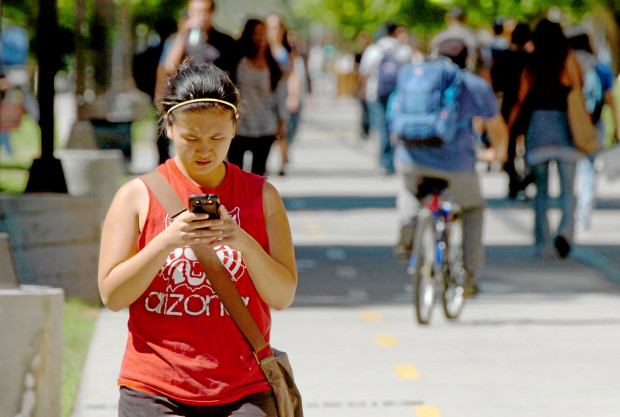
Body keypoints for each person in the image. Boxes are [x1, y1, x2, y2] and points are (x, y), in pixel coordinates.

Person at [98, 63, 298, 416]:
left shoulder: (262, 197)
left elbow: (282, 296)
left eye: (217, 138)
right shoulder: (136, 197)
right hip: (154, 388)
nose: (204, 150)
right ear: (170, 128)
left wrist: (243, 242)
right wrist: (165, 242)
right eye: (191, 138)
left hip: (245, 388)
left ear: (235, 129)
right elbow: (112, 295)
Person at [393, 42, 508, 297]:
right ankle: (467, 275)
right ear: (467, 60)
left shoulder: (416, 78)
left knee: (409, 190)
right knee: (473, 209)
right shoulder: (474, 85)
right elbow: (497, 130)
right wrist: (496, 154)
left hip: (411, 159)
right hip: (457, 167)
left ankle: (407, 227)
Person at [508, 19, 583, 258]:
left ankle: (542, 240)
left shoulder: (532, 61)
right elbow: (577, 86)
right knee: (568, 190)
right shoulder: (568, 58)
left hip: (538, 128)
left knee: (541, 191)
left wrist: (513, 128)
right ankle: (566, 233)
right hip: (565, 126)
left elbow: (522, 96)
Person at [568, 31, 619, 232]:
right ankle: (583, 213)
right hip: (595, 123)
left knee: (569, 170)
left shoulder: (569, 65)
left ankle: (569, 215)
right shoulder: (601, 68)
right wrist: (616, 126)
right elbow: (610, 99)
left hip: (573, 123)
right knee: (589, 169)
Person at [227, 19, 286, 177]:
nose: (259, 37)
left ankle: (253, 203)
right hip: (239, 127)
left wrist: (282, 122)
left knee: (257, 177)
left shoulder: (273, 66)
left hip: (265, 127)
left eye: (263, 33)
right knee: (234, 174)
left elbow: (279, 95)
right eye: (255, 33)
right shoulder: (237, 62)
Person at [359, 22, 412, 175]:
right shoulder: (403, 50)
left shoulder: (374, 49)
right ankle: (393, 162)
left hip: (375, 92)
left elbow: (365, 72)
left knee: (382, 127)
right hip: (398, 94)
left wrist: (362, 91)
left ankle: (384, 161)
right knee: (395, 127)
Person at [491, 22, 535, 199]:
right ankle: (525, 179)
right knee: (530, 146)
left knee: (509, 148)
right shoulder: (533, 58)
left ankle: (513, 181)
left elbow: (496, 84)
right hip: (530, 106)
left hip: (509, 105)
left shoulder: (503, 57)